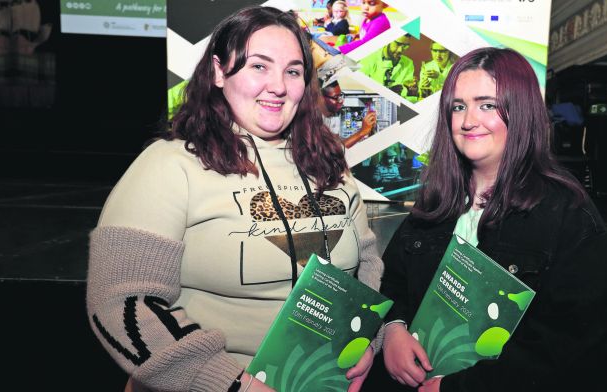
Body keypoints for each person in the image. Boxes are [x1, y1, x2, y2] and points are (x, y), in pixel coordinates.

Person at [86, 6, 384, 392]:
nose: (278, 85)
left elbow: (367, 265)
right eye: (259, 66)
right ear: (218, 71)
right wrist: (230, 385)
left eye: (293, 71)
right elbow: (122, 306)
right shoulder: (169, 165)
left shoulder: (328, 163)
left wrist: (364, 338)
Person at [365, 47, 607, 391]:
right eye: (458, 106)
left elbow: (571, 347)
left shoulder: (568, 215)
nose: (469, 120)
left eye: (487, 104)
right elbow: (393, 280)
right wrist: (393, 328)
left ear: (521, 110)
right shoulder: (437, 202)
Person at [320, 80, 377, 148]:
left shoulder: (332, 113)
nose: (341, 100)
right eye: (336, 97)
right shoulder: (313, 122)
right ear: (321, 98)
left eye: (341, 95)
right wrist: (362, 132)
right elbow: (333, 151)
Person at [360, 34, 418, 101]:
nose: (400, 50)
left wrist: (410, 89)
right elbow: (360, 89)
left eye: (405, 46)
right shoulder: (368, 58)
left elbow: (406, 91)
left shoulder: (408, 63)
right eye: (398, 44)